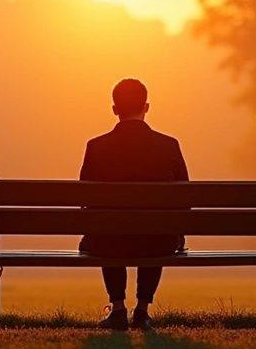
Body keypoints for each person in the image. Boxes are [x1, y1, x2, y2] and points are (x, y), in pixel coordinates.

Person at [78, 78, 188, 330]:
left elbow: (84, 200)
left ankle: (117, 308)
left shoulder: (96, 147)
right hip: (158, 242)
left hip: (108, 241)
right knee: (159, 228)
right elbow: (185, 200)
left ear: (115, 109)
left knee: (104, 228)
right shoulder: (168, 146)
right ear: (146, 107)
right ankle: (142, 310)